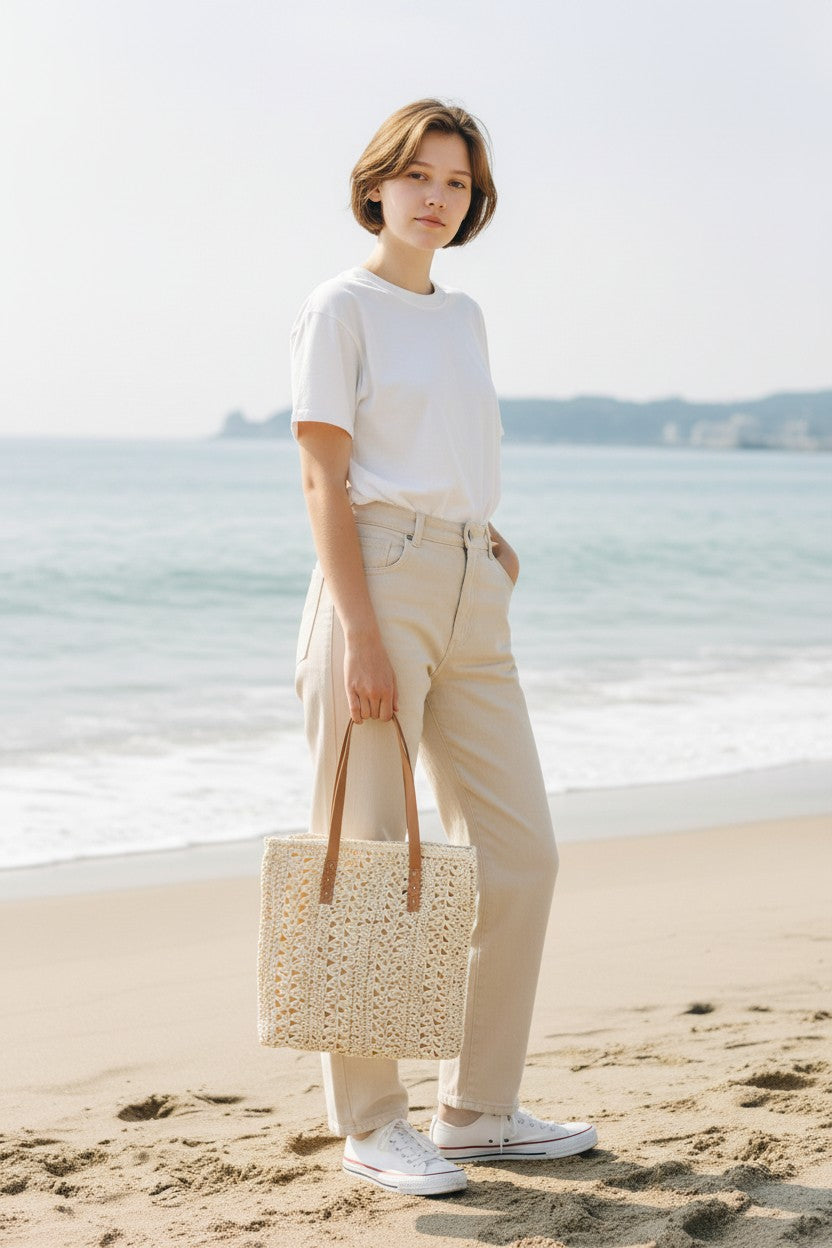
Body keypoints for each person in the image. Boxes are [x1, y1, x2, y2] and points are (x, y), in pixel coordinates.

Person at [289, 97, 597, 1197]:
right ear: (376, 186)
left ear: (474, 202)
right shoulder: (343, 307)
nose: (434, 195)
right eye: (416, 175)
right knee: (371, 861)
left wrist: (488, 548)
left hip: (471, 584)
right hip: (375, 584)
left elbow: (447, 445)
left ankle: (476, 1110)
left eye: (455, 183)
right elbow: (325, 476)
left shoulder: (461, 318)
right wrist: (363, 629)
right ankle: (372, 1121)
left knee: (522, 856)